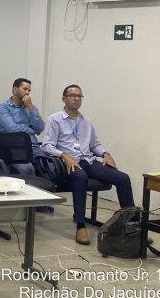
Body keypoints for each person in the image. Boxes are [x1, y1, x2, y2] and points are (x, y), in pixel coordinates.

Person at [42, 85, 136, 246]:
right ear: (64, 99)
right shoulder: (55, 119)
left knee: (123, 178)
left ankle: (132, 225)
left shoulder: (86, 121)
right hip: (68, 163)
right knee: (80, 177)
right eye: (72, 95)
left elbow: (95, 145)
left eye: (79, 96)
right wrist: (64, 155)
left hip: (88, 161)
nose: (76, 98)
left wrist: (105, 154)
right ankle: (80, 225)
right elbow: (47, 146)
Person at [0, 78, 46, 175]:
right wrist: (32, 131)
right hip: (13, 147)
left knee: (51, 166)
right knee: (27, 169)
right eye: (25, 89)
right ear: (15, 89)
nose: (27, 93)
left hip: (32, 146)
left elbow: (40, 128)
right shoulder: (3, 108)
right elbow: (12, 129)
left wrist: (31, 108)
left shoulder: (30, 107)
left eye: (29, 90)